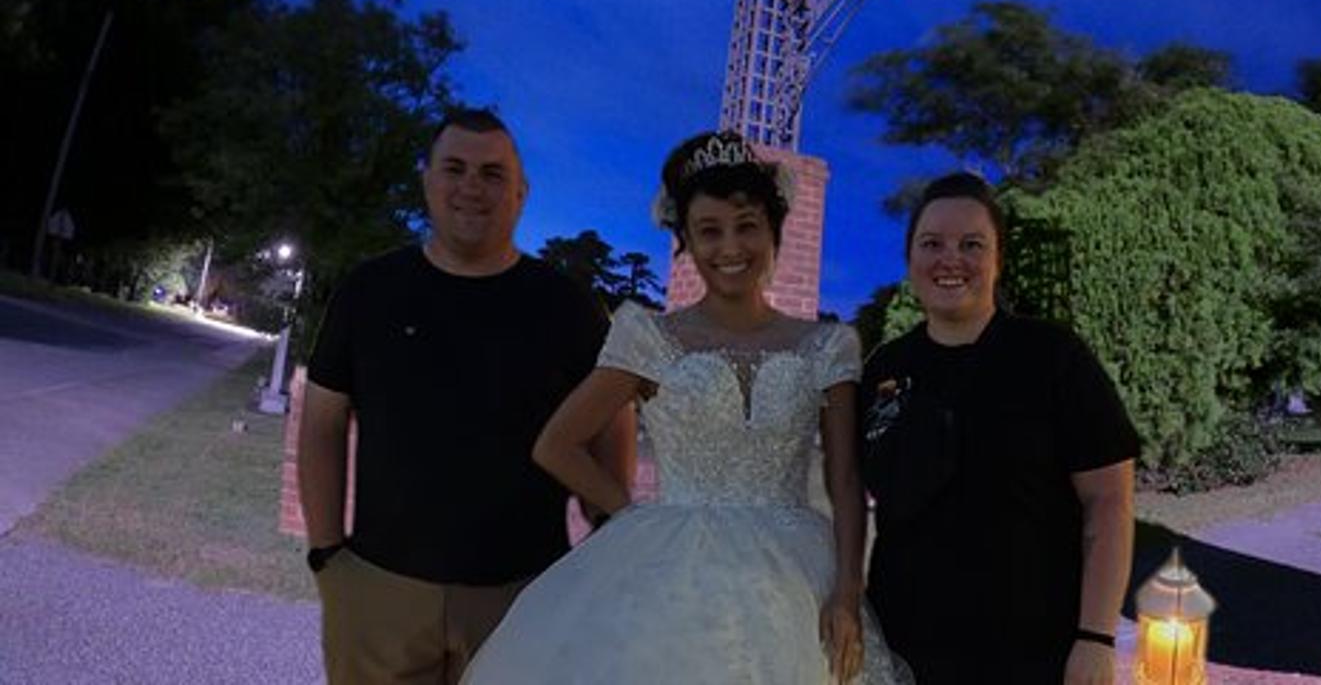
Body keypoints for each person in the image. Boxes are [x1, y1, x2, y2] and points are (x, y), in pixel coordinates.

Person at [461, 131, 910, 684]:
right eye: (709, 231)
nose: (730, 247)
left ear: (774, 231)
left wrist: (846, 590)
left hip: (794, 578)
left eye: (747, 226)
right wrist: (632, 517)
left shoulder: (826, 346)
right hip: (670, 575)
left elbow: (843, 481)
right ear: (687, 241)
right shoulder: (650, 338)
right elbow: (556, 445)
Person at [299, 108, 634, 685]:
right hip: (380, 593)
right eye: (455, 168)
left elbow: (613, 424)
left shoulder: (569, 308)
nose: (472, 187)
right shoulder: (369, 291)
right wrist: (329, 556)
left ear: (522, 193)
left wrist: (605, 531)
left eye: (493, 174)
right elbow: (322, 425)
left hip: (522, 599)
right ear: (427, 181)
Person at [860, 173, 1139, 685]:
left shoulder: (1053, 357)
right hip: (900, 648)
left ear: (997, 259)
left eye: (972, 244)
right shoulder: (885, 367)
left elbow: (1110, 503)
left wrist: (1096, 638)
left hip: (1029, 651)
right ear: (911, 260)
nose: (950, 259)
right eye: (932, 243)